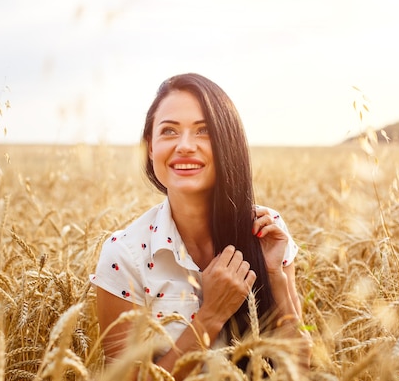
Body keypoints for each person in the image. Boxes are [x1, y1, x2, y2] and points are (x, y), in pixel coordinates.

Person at [90, 73, 309, 378]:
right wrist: (210, 316)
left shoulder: (267, 231)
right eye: (168, 131)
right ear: (150, 148)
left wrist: (275, 276)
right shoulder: (125, 256)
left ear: (227, 142)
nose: (185, 146)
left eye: (203, 130)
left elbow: (301, 367)